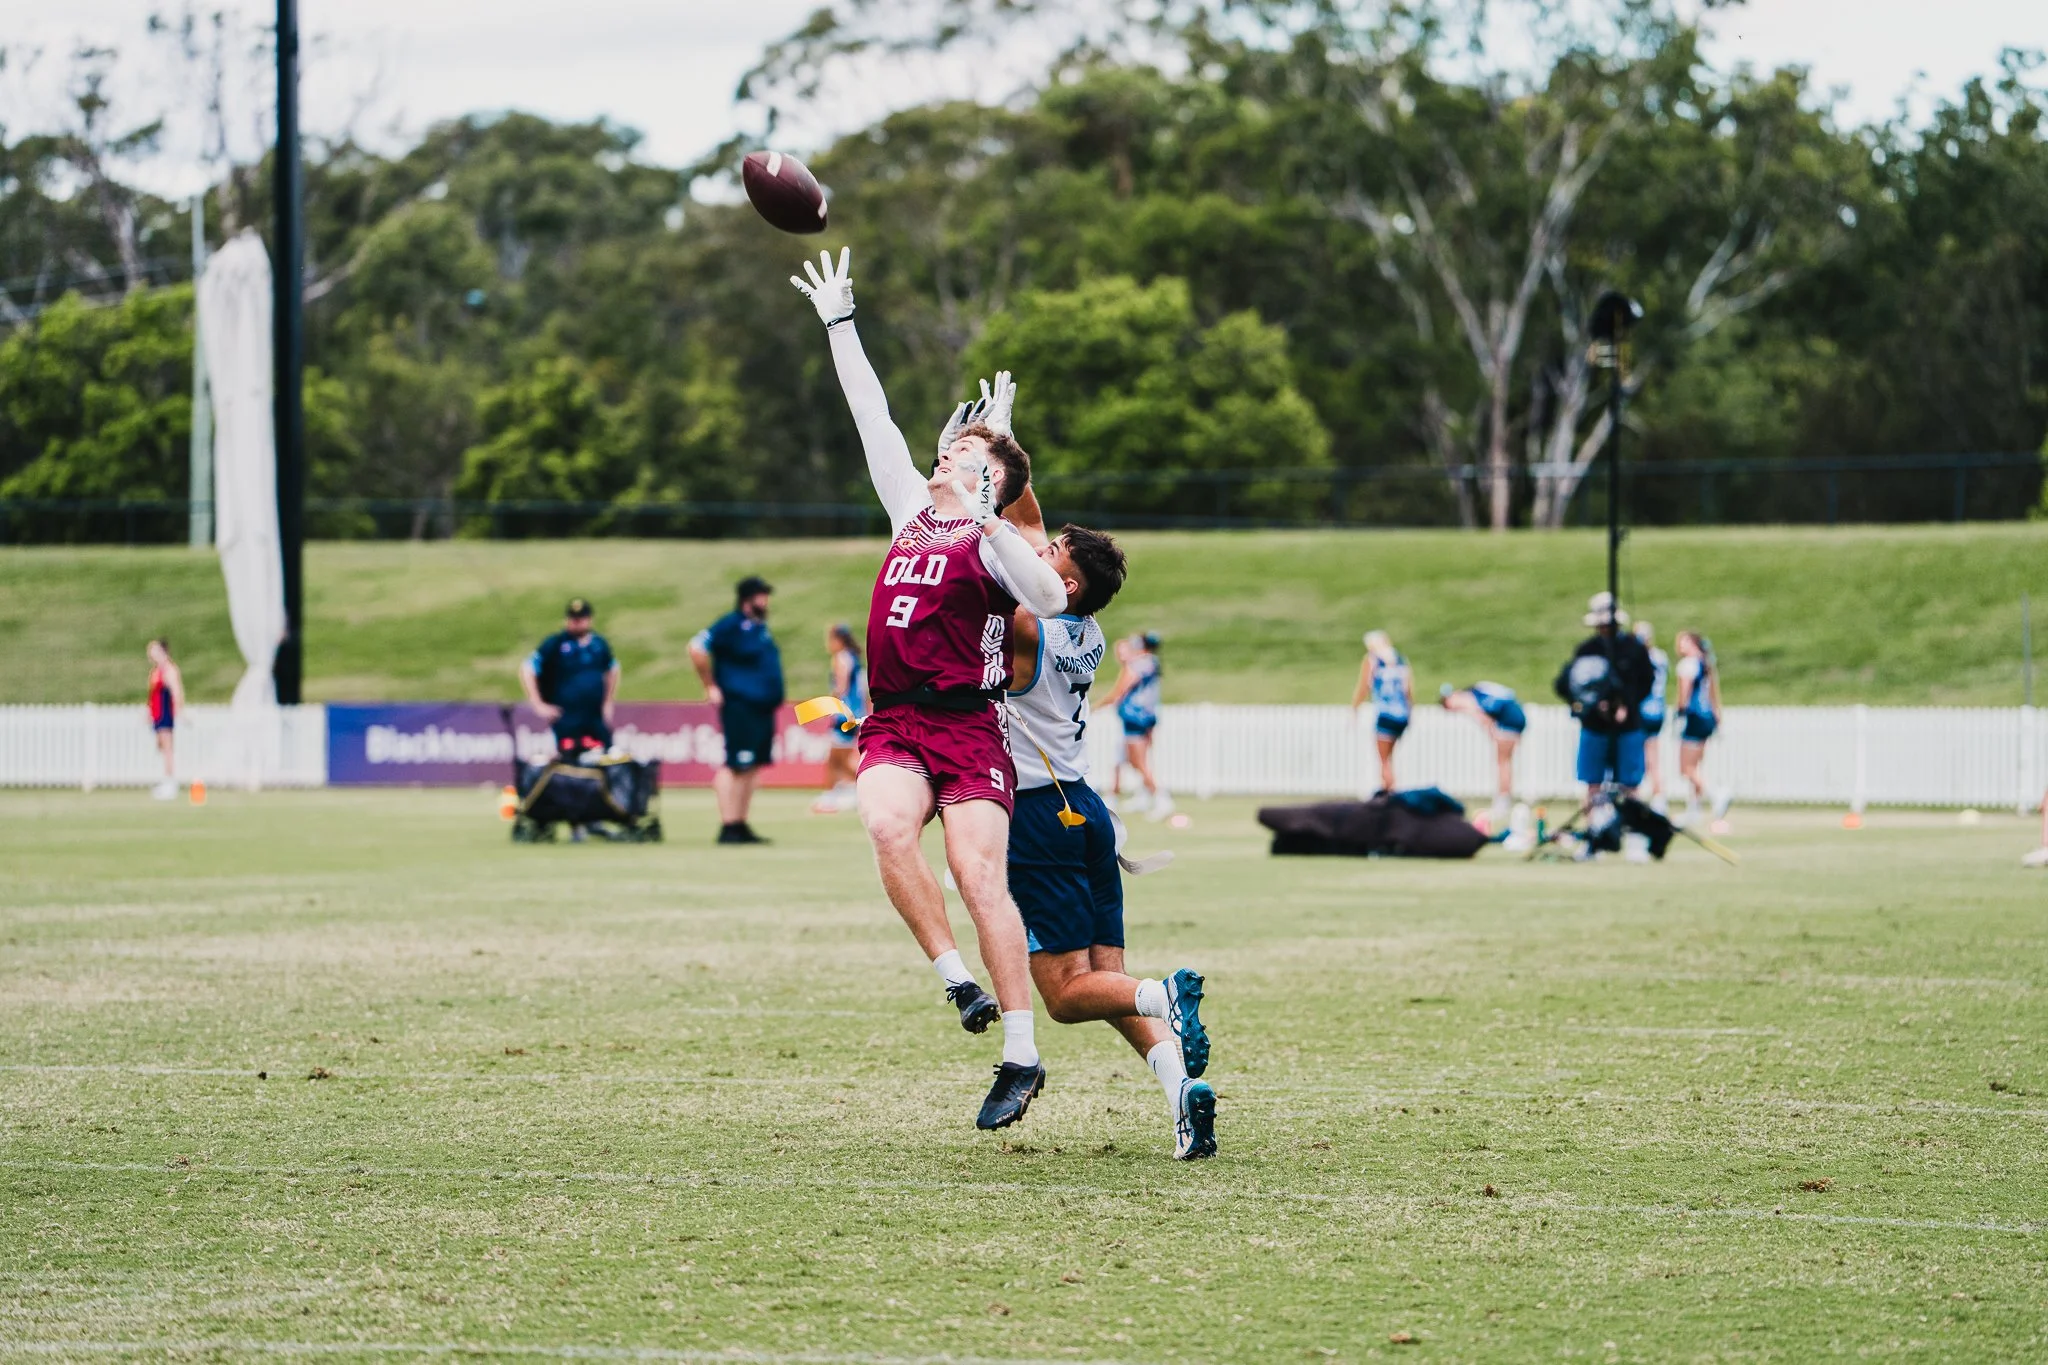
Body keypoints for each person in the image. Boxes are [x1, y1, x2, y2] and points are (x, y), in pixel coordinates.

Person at [791, 247, 1071, 1130]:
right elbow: (869, 412)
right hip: (897, 721)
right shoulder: (910, 509)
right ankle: (957, 980)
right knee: (883, 824)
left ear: (994, 479)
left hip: (969, 726)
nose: (950, 446)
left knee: (977, 874)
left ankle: (1021, 1053)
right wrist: (841, 323)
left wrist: (996, 512)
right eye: (954, 442)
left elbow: (1051, 598)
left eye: (970, 446)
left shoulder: (995, 541)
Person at [991, 393, 1217, 1161]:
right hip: (1087, 813)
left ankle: (1166, 993)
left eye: (1054, 553)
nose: (1041, 549)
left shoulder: (1030, 628)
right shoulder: (1084, 627)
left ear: (1067, 583)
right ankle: (1182, 1096)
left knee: (1063, 996)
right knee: (1106, 983)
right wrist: (1005, 453)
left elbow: (995, 552)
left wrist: (968, 503)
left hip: (1038, 815)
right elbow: (1026, 523)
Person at [690, 577, 786, 845]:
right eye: (761, 596)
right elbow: (696, 647)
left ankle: (740, 823)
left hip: (761, 707)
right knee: (736, 764)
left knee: (752, 766)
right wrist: (710, 685)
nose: (766, 601)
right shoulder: (731, 625)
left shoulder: (759, 628)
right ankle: (728, 824)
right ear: (748, 599)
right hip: (740, 705)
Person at [1553, 592, 1654, 799]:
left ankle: (1628, 815)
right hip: (1594, 724)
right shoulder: (1587, 650)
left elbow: (1646, 682)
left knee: (1629, 783)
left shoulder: (1633, 649)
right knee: (1593, 782)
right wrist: (1591, 705)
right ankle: (1595, 816)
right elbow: (1569, 684)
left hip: (1628, 725)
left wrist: (1626, 705)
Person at [521, 598, 619, 758]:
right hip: (567, 716)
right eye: (573, 619)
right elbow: (528, 668)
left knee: (606, 755)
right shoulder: (556, 644)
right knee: (569, 758)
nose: (577, 623)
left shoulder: (599, 644)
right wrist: (538, 703)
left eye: (581, 619)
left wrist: (608, 702)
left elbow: (612, 669)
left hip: (594, 715)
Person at [1439, 681, 1525, 828]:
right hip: (1514, 715)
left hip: (1509, 718)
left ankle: (1502, 802)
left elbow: (1483, 718)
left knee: (1503, 762)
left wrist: (1492, 732)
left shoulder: (1468, 699)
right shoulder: (1477, 691)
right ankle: (1503, 800)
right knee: (1504, 762)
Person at [1103, 631, 1170, 820]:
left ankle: (1161, 799)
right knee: (1133, 760)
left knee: (1139, 762)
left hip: (1136, 719)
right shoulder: (1151, 663)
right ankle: (1143, 796)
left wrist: (1096, 707)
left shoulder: (1140, 664)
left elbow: (1120, 691)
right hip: (1143, 718)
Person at [1675, 629, 1733, 832]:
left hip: (1694, 718)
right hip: (1707, 718)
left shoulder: (1688, 664)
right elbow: (1713, 693)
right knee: (1696, 766)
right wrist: (1717, 716)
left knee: (1687, 768)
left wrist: (1680, 713)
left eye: (1683, 642)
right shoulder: (1706, 663)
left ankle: (1716, 795)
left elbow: (1684, 693)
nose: (1679, 646)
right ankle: (1694, 810)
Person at [811, 623, 867, 814]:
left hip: (843, 715)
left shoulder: (841, 658)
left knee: (835, 759)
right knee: (839, 759)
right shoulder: (854, 658)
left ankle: (832, 796)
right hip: (854, 714)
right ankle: (841, 793)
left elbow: (840, 689)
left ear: (838, 640)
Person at [1350, 630, 1412, 794]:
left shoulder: (1373, 660)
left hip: (1385, 714)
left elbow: (1364, 686)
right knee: (1390, 758)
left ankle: (1388, 795)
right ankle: (1391, 792)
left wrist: (1355, 707)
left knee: (1384, 760)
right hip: (1402, 714)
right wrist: (1410, 712)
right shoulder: (1400, 660)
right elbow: (1408, 690)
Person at [1635, 621, 1672, 814]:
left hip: (1642, 710)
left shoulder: (1638, 657)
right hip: (1658, 709)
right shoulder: (1661, 656)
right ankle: (1659, 799)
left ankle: (1637, 799)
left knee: (1636, 759)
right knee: (1653, 759)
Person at [145, 638, 184, 801]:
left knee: (167, 748)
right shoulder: (156, 671)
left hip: (165, 713)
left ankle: (170, 783)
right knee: (162, 747)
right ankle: (166, 780)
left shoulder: (169, 670)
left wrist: (179, 710)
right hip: (157, 714)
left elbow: (176, 692)